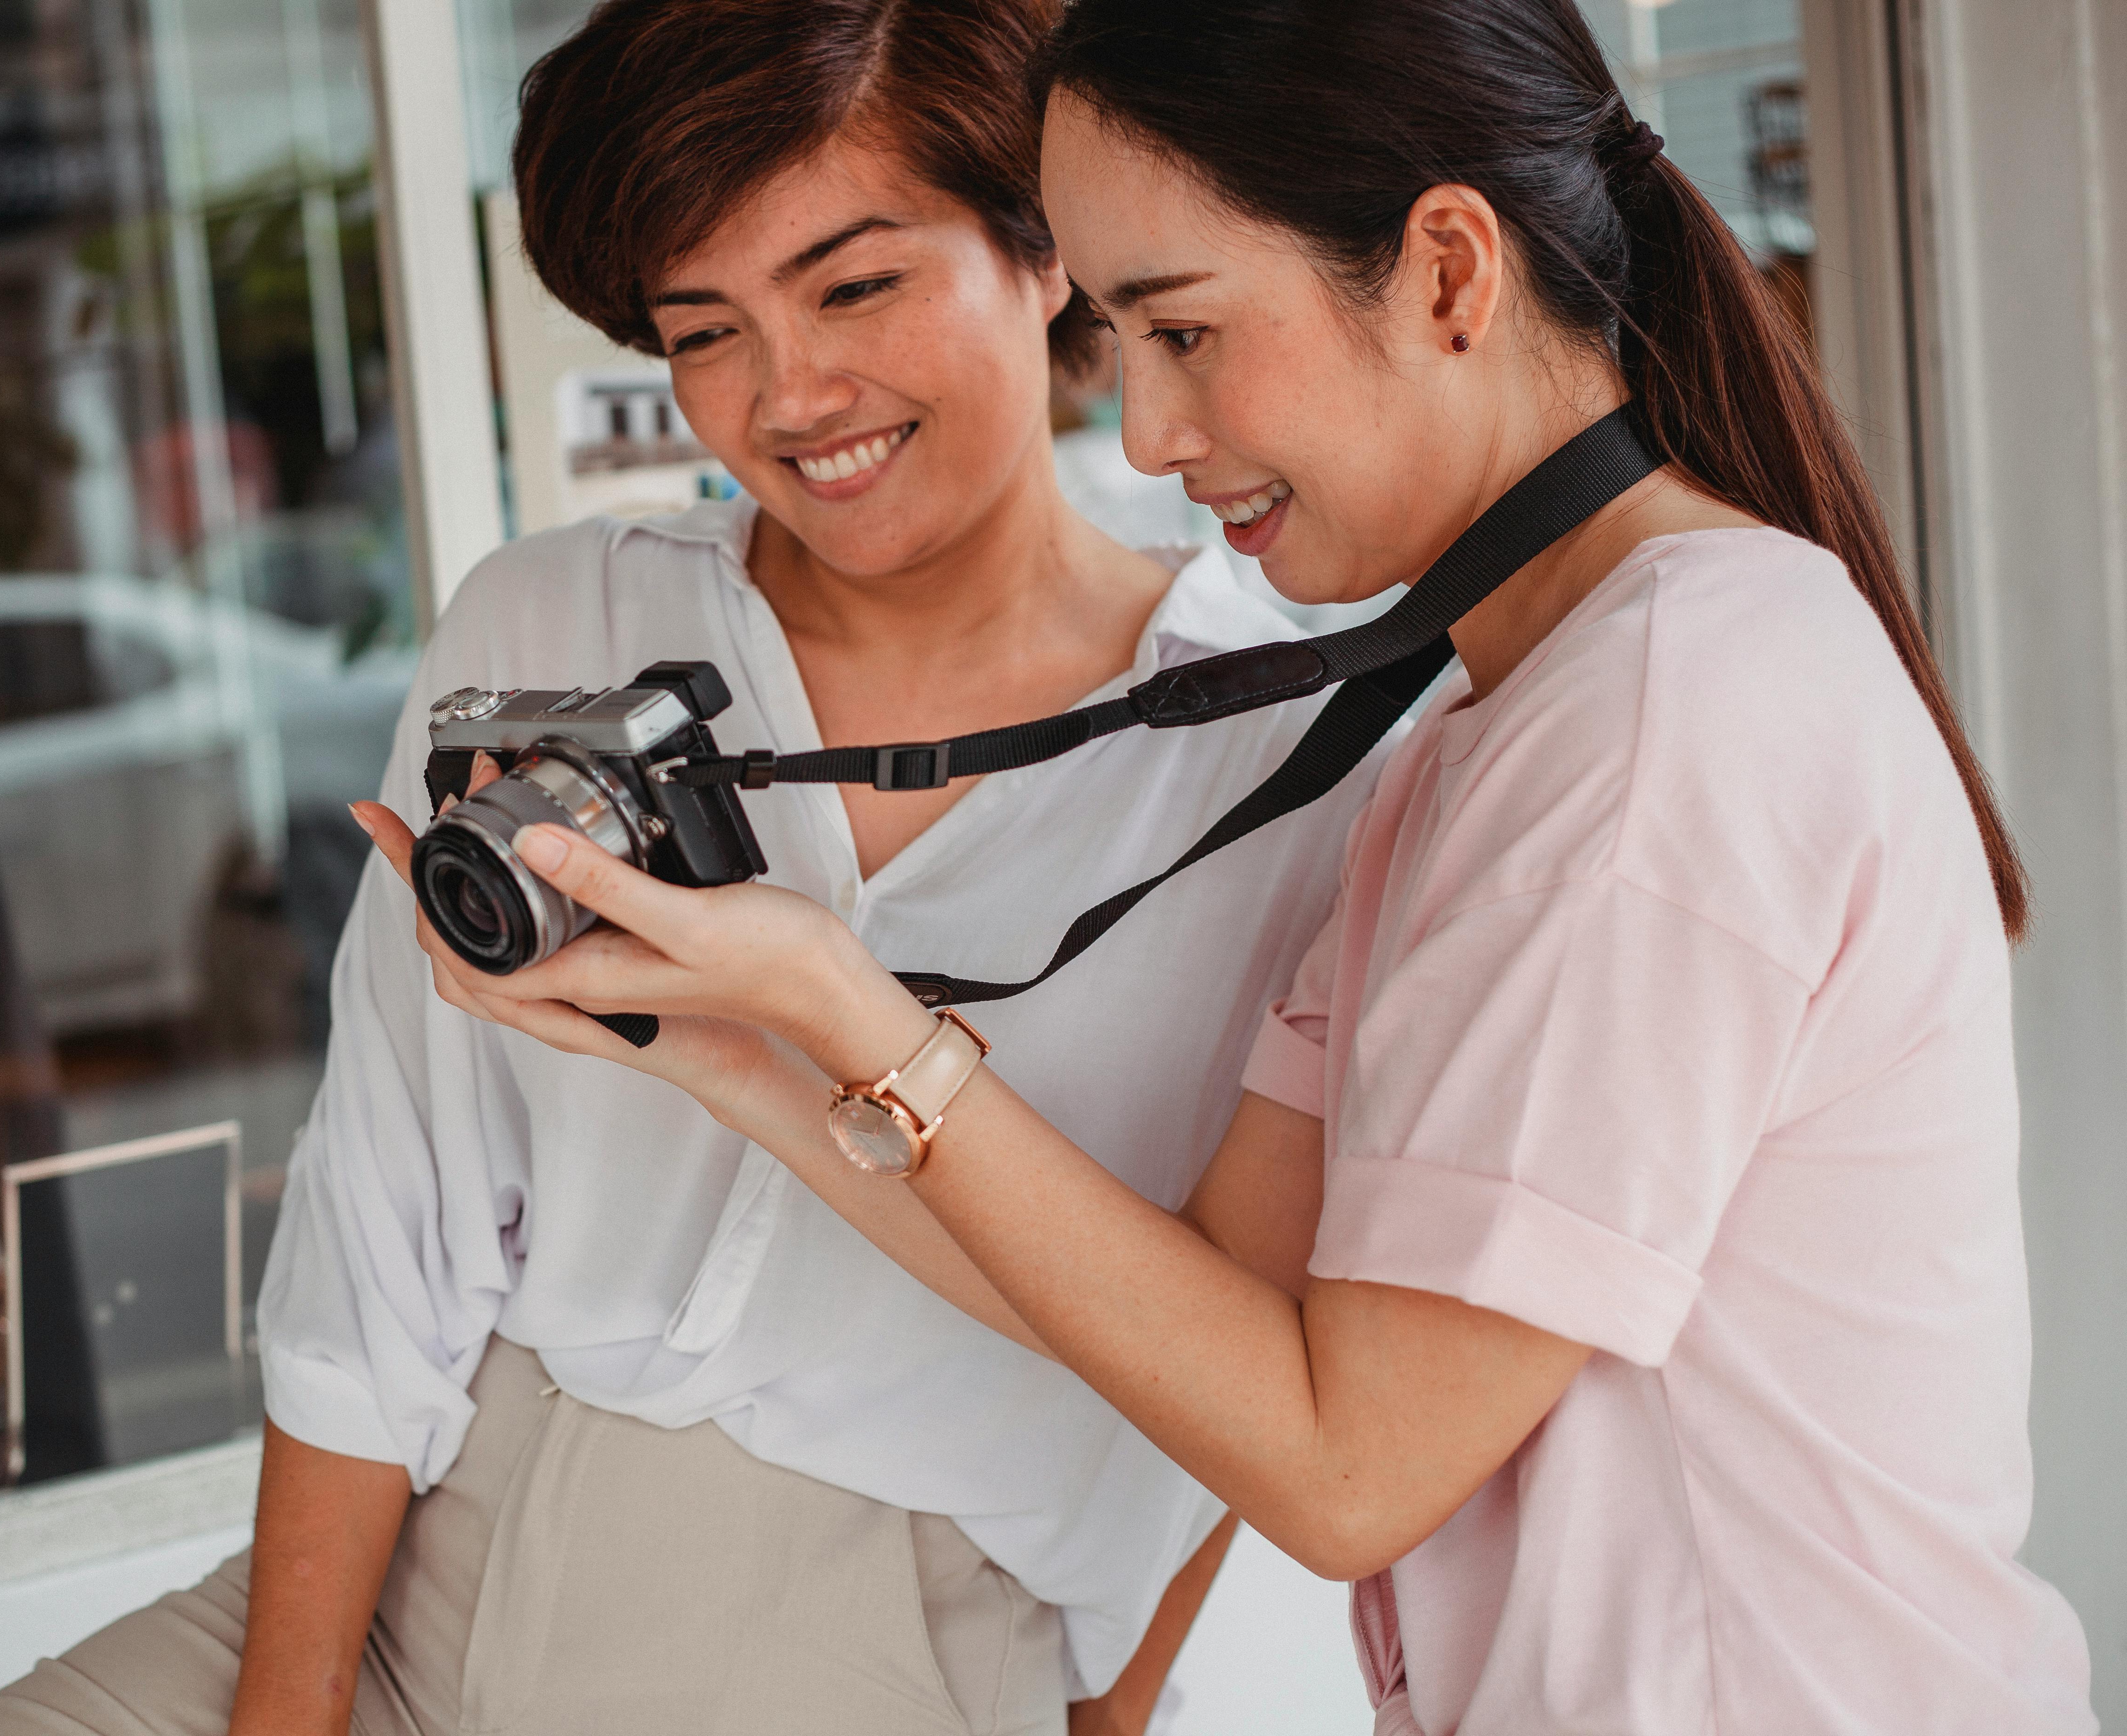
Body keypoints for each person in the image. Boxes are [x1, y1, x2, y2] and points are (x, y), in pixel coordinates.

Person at [348, 0, 2101, 1731]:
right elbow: (1214, 1309)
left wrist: (851, 1009)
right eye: (1122, 337)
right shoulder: (1491, 736)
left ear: (1446, 273)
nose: (1150, 440)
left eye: (1182, 331)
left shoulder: (1665, 722)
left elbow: (1344, 1469)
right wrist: (737, 1047)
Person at [0, 1, 1382, 1733]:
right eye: (705, 330)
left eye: (855, 288)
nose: (788, 397)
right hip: (422, 1545)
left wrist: (1102, 1716)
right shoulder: (558, 617)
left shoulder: (1290, 742)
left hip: (868, 1618)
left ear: (1049, 247)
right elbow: (383, 1218)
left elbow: (1243, 1361)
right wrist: (291, 1704)